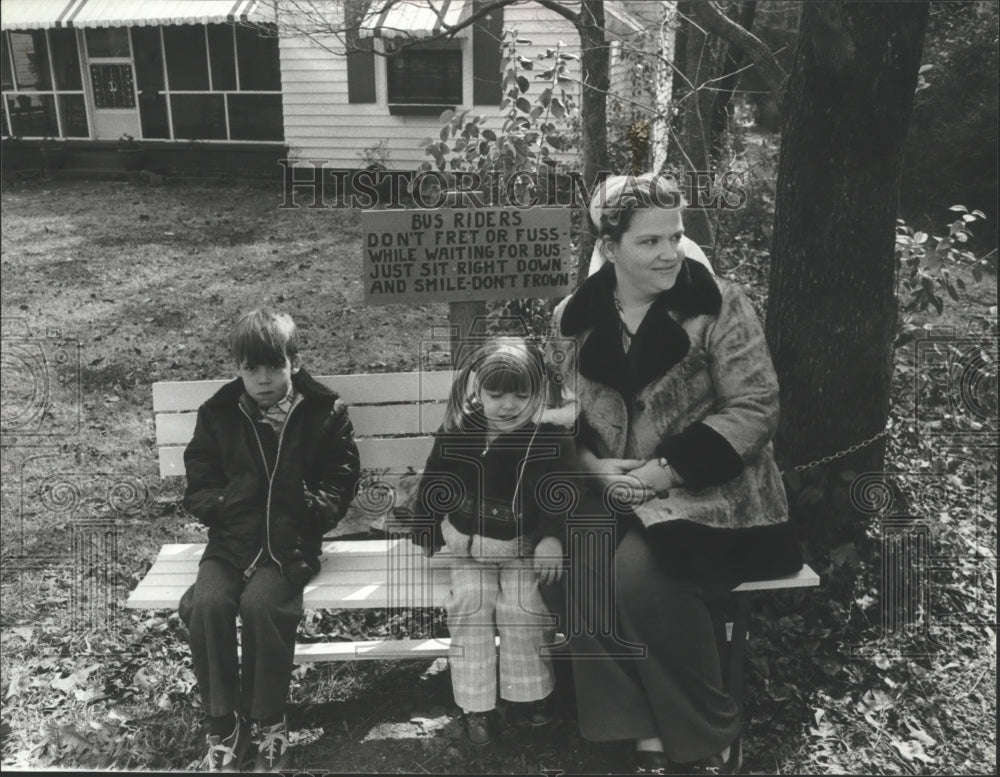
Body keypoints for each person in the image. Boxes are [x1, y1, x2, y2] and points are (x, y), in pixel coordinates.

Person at [543, 173, 802, 775]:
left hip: (714, 491)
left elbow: (755, 408)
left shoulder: (719, 303)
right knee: (572, 571)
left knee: (639, 578)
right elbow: (562, 409)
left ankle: (708, 730)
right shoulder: (572, 317)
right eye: (650, 242)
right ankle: (638, 729)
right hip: (609, 489)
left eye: (676, 237)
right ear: (609, 248)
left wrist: (660, 475)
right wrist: (587, 463)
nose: (669, 253)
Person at [178, 308, 360, 772]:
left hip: (289, 544)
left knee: (263, 606)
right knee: (208, 603)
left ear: (293, 363)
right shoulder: (219, 413)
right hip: (231, 541)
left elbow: (339, 483)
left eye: (274, 367)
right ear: (237, 368)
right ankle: (223, 723)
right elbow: (198, 481)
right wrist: (224, 502)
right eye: (251, 368)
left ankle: (268, 721)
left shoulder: (324, 412)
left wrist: (306, 506)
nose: (263, 379)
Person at [396, 337, 573, 746]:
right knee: (470, 604)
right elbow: (435, 480)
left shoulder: (546, 439)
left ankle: (528, 698)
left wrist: (551, 537)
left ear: (539, 394)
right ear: (478, 390)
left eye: (521, 394)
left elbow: (562, 492)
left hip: (520, 548)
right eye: (497, 394)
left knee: (523, 607)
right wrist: (425, 529)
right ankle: (476, 705)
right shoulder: (460, 431)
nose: (508, 405)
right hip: (467, 549)